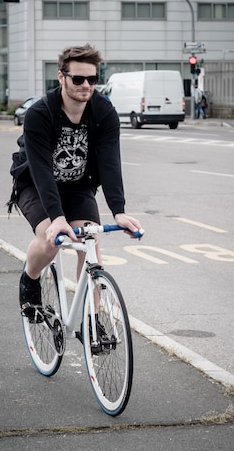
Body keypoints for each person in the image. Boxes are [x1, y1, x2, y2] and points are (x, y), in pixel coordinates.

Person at [8, 44, 142, 318]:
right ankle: (30, 278)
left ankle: (93, 320)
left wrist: (119, 211)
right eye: (78, 79)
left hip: (77, 184)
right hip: (34, 182)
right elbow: (42, 170)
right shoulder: (40, 114)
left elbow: (110, 164)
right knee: (50, 240)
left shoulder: (104, 112)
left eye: (92, 79)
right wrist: (57, 217)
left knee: (91, 240)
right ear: (61, 77)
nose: (85, 85)